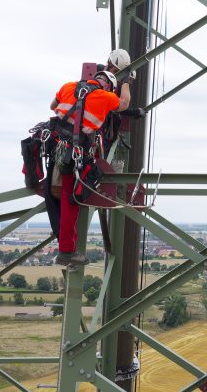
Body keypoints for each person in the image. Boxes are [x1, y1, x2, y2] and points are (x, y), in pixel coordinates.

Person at [47, 70, 131, 266]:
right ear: (108, 86)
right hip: (73, 155)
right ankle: (66, 251)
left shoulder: (69, 85)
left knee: (53, 196)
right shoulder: (105, 96)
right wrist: (126, 82)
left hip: (53, 147)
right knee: (72, 200)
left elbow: (53, 106)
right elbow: (125, 103)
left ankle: (61, 240)